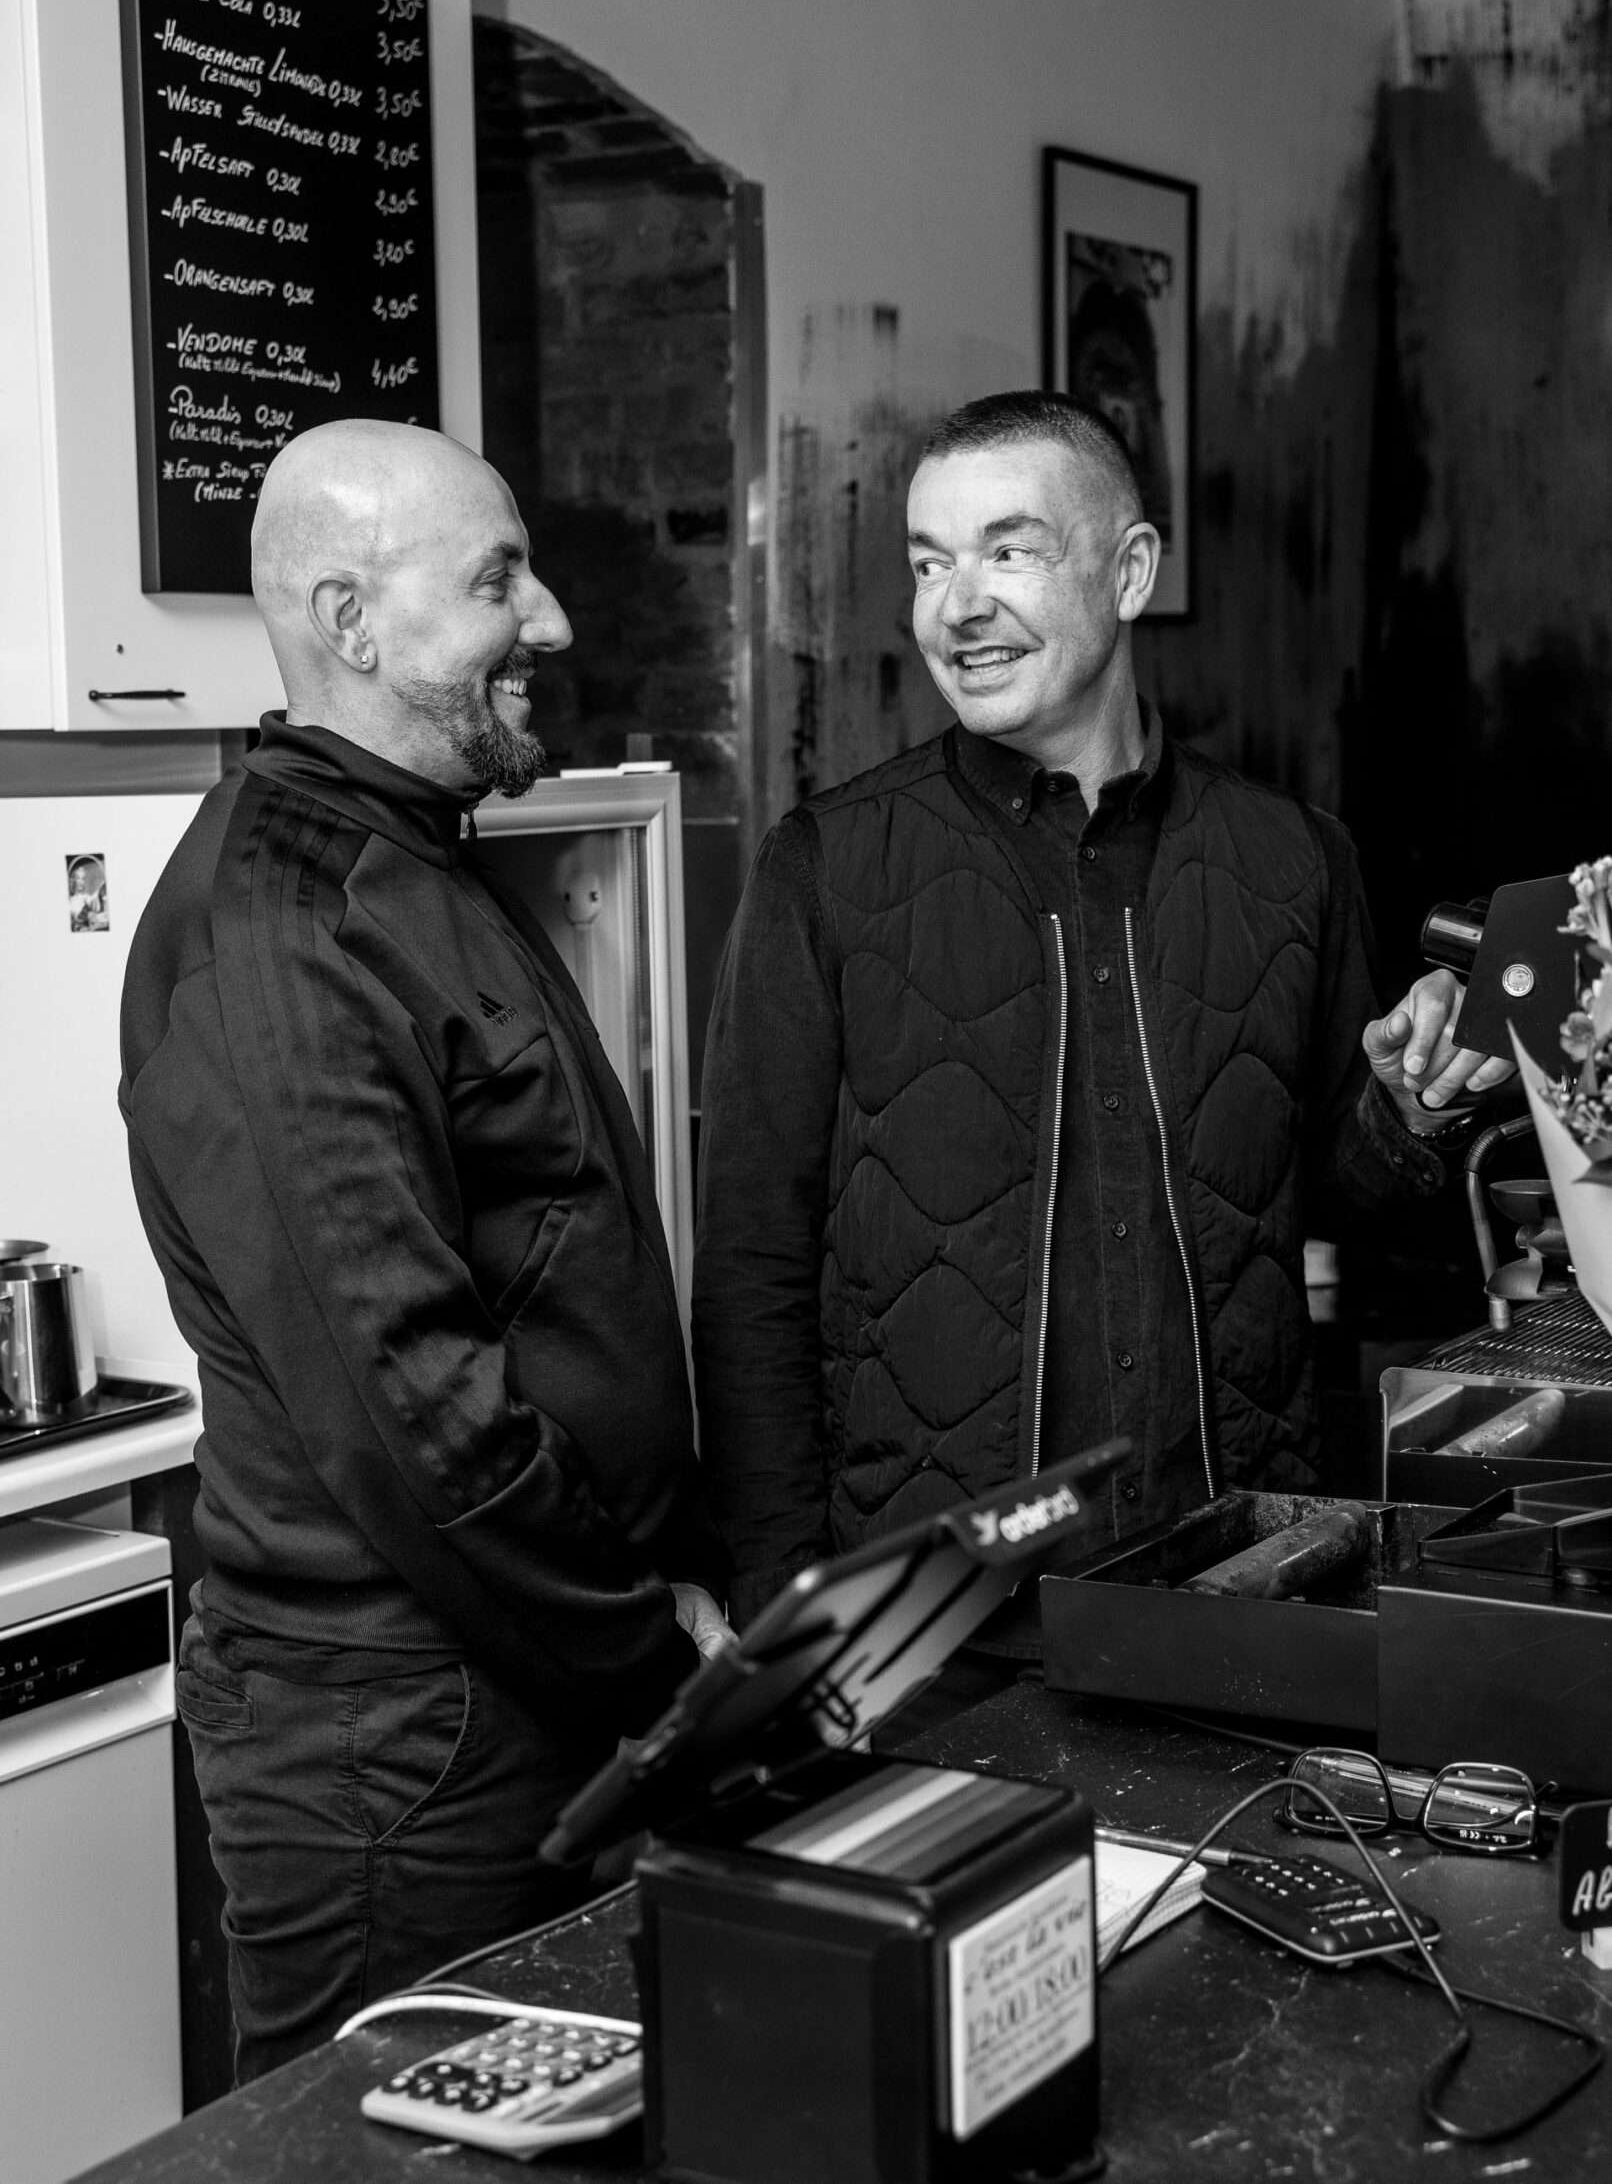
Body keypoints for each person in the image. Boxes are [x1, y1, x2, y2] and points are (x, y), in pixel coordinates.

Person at [120, 419, 730, 2081]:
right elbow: (415, 1414)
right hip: (404, 1741)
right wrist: (645, 1644)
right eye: (495, 581)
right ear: (351, 618)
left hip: (510, 1681)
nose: (551, 621)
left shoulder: (412, 860)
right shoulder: (283, 934)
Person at [693, 391, 1509, 1629]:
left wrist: (1406, 1109)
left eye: (1009, 551)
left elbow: (1326, 1202)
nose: (957, 606)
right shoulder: (826, 868)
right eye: (929, 563)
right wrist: (781, 1607)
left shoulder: (1294, 857)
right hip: (934, 1616)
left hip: (1234, 1571)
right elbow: (751, 1269)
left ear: (1129, 572)